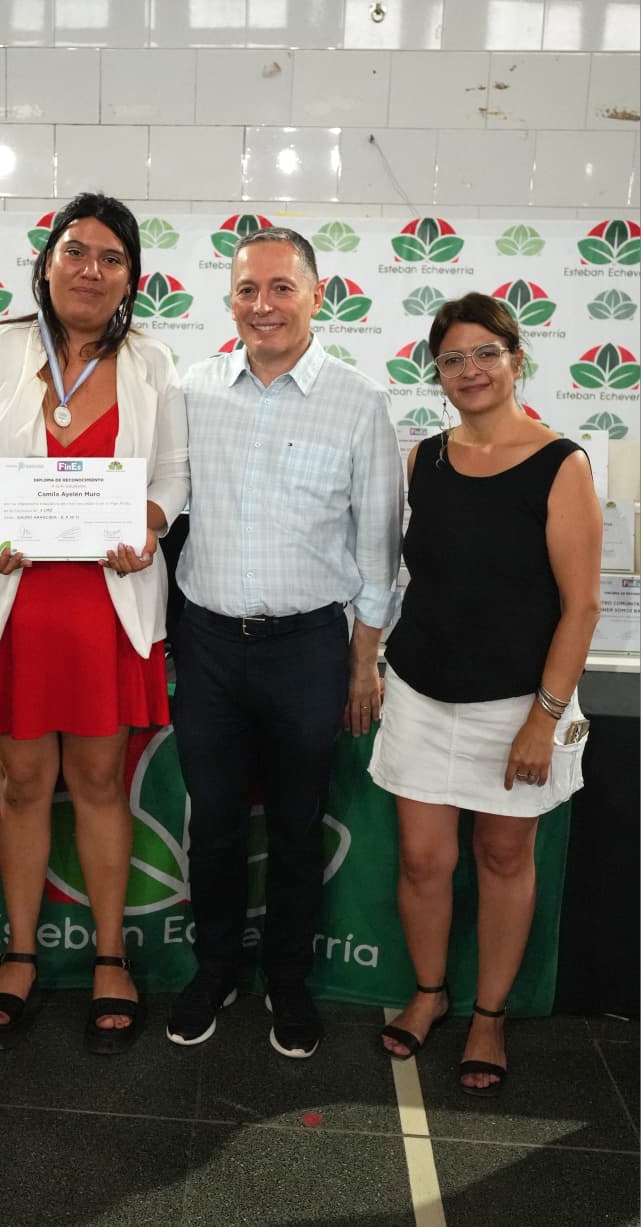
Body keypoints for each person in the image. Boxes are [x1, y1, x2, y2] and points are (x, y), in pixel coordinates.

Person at [0, 192, 189, 1055]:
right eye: (75, 251)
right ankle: (19, 952)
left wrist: (147, 523)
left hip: (106, 606)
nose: (90, 269)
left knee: (101, 782)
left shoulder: (152, 361)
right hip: (15, 603)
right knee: (21, 782)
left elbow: (173, 476)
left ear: (131, 279)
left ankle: (111, 956)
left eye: (111, 258)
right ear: (46, 264)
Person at [168, 227, 404, 1058]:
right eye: (246, 290)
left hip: (308, 647)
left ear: (316, 295)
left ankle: (289, 979)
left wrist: (363, 658)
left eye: (279, 288)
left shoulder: (358, 399)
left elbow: (378, 545)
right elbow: (155, 498)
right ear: (228, 299)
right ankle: (214, 970)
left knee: (299, 826)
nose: (261, 305)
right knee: (214, 824)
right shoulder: (190, 389)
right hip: (205, 644)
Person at [370, 292, 602, 1096]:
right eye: (452, 358)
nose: (469, 370)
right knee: (421, 858)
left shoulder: (560, 462)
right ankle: (429, 991)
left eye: (484, 354)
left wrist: (543, 718)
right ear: (435, 372)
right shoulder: (422, 460)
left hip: (518, 702)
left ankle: (489, 1014)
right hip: (419, 690)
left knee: (502, 855)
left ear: (515, 360)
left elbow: (581, 606)